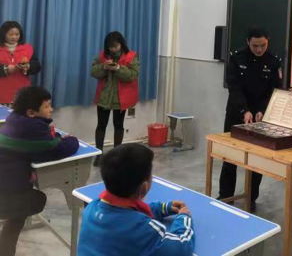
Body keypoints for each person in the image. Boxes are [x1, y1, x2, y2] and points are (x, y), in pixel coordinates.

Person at [0, 86, 79, 256]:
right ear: (31, 112)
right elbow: (58, 149)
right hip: (8, 192)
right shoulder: (32, 128)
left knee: (17, 217)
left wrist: (55, 139)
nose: (51, 109)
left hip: (6, 184)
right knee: (36, 201)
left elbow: (47, 141)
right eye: (47, 106)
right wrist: (73, 139)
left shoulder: (14, 119)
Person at [78, 143, 195, 256]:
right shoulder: (143, 229)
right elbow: (182, 247)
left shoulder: (91, 208)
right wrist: (183, 217)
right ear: (144, 188)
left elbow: (124, 215)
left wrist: (161, 209)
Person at [218, 26, 282, 212]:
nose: (259, 49)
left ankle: (251, 197)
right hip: (236, 113)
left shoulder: (273, 61)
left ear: (267, 42)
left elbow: (274, 90)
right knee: (230, 155)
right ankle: (225, 195)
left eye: (263, 45)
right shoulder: (237, 58)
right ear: (248, 42)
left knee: (257, 159)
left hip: (260, 117)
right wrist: (244, 110)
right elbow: (234, 87)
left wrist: (262, 110)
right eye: (255, 46)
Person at [90, 31, 139, 166]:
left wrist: (118, 68)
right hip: (104, 97)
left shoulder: (131, 56)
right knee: (101, 125)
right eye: (110, 47)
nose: (113, 49)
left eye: (116, 46)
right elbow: (93, 71)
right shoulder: (103, 56)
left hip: (120, 99)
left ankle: (117, 155)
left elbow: (133, 75)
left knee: (118, 125)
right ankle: (99, 155)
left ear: (121, 44)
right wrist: (104, 67)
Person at [0, 21, 42, 106]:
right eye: (11, 34)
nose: (14, 37)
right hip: (2, 93)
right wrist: (6, 69)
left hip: (22, 93)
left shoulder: (28, 48)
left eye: (17, 34)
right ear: (3, 34)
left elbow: (37, 66)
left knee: (21, 114)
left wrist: (28, 66)